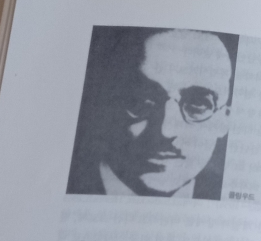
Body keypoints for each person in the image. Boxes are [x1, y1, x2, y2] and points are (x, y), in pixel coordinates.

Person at [67, 27, 238, 199]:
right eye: (140, 100)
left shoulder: (226, 197)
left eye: (197, 104)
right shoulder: (68, 184)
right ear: (109, 103)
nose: (166, 131)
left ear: (224, 120)